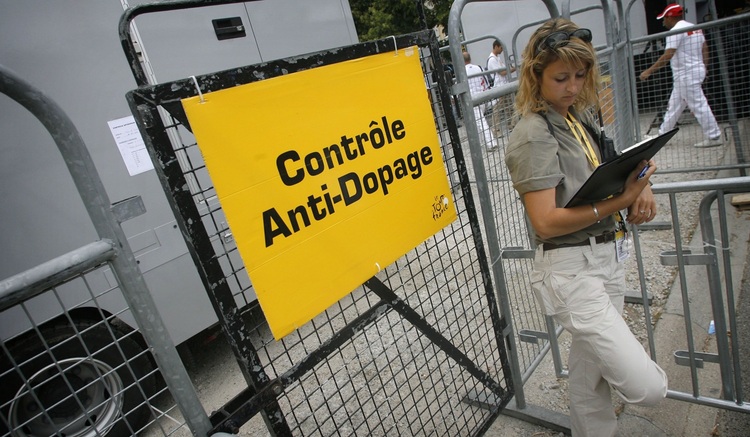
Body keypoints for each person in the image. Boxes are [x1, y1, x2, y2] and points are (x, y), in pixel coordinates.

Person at [504, 18, 668, 436]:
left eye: (580, 75)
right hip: (572, 270)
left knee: (589, 377)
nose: (573, 87)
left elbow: (613, 164)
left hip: (605, 257)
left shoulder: (577, 116)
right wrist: (622, 201)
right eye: (561, 78)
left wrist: (643, 183)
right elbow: (545, 222)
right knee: (647, 387)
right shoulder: (533, 133)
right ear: (535, 76)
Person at [639, 3, 722, 148]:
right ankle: (662, 135)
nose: (663, 22)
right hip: (693, 72)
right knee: (674, 106)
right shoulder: (694, 28)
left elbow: (668, 55)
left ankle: (714, 136)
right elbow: (705, 48)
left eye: (664, 18)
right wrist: (704, 67)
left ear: (670, 17)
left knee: (699, 105)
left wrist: (649, 71)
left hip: (685, 74)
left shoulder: (675, 31)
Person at [464, 51, 497, 151]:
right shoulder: (479, 67)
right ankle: (481, 143)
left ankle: (491, 143)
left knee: (481, 122)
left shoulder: (462, 71)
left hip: (471, 100)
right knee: (478, 122)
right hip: (482, 97)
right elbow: (486, 81)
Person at [487, 39, 517, 139]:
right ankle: (496, 130)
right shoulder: (492, 59)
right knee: (497, 109)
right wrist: (513, 69)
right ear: (496, 46)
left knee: (509, 106)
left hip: (504, 85)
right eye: (501, 48)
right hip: (499, 87)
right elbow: (502, 72)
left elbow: (504, 70)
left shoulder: (497, 58)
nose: (502, 50)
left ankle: (512, 124)